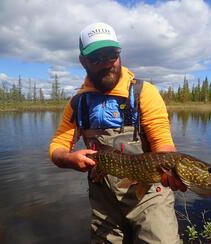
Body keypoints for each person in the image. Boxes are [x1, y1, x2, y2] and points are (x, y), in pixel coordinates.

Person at [49, 22, 186, 244]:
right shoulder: (78, 103)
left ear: (119, 54)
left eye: (111, 55)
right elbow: (58, 145)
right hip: (104, 202)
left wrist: (170, 169)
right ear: (83, 61)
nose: (106, 64)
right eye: (96, 59)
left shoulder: (144, 93)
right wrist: (67, 158)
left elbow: (163, 144)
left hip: (150, 195)